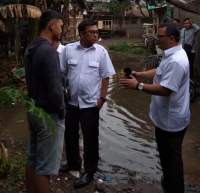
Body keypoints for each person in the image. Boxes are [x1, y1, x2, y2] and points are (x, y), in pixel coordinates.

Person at [120, 23, 190, 193]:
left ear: (172, 39)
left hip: (170, 122)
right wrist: (140, 74)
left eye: (160, 37)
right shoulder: (170, 55)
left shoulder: (177, 61)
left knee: (171, 161)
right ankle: (169, 183)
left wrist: (138, 86)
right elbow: (160, 71)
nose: (157, 40)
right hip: (165, 118)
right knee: (168, 159)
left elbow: (165, 90)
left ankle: (174, 188)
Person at [59, 18, 115, 188]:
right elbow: (61, 73)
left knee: (90, 138)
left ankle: (89, 171)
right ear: (81, 34)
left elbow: (106, 76)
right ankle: (73, 163)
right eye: (91, 32)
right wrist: (63, 94)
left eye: (96, 32)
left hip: (91, 104)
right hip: (72, 103)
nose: (95, 35)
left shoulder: (101, 52)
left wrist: (102, 98)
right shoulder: (68, 50)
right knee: (70, 134)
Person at [24, 10, 65, 193]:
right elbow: (55, 90)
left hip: (33, 108)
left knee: (33, 158)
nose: (61, 30)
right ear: (52, 25)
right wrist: (62, 111)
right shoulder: (49, 51)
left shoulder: (32, 47)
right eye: (61, 26)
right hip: (48, 114)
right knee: (45, 168)